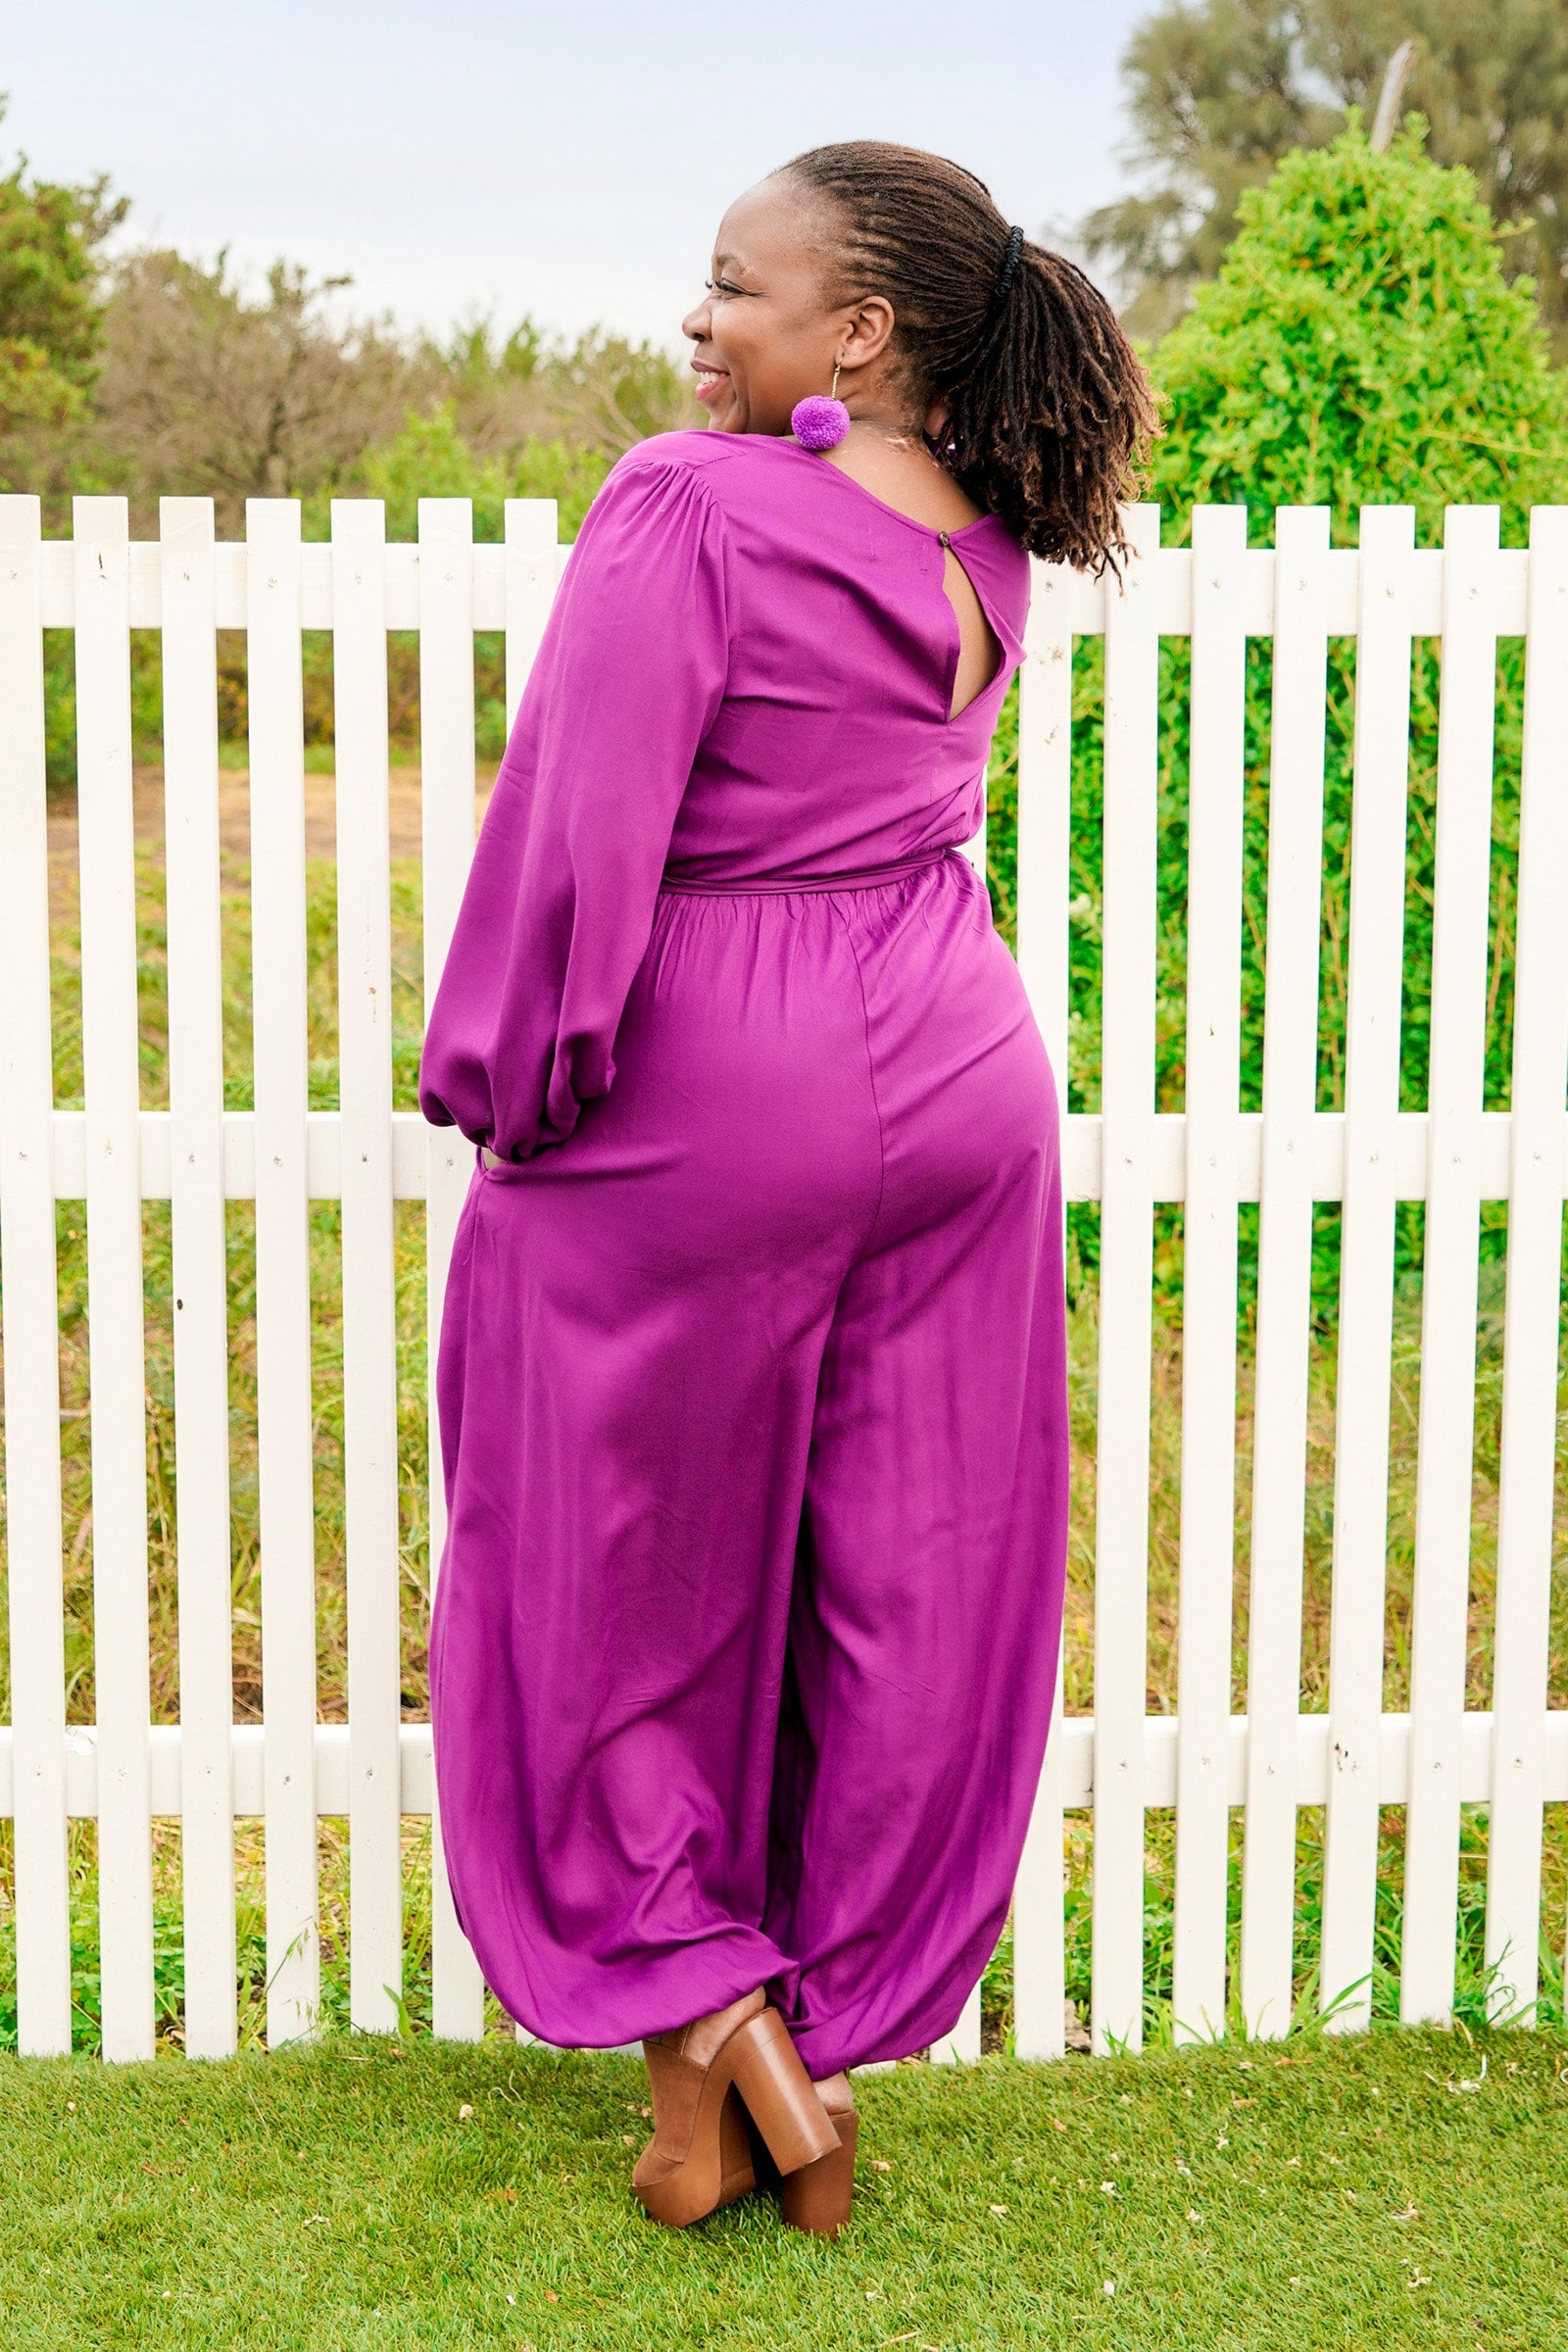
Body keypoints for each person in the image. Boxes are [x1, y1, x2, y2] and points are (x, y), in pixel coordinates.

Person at [417, 138, 1155, 2236]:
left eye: (736, 286)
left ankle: (713, 2028)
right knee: (900, 1577)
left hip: (720, 1078)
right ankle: (779, 2077)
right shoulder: (989, 540)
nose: (697, 318)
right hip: (955, 1065)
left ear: (860, 331)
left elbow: (585, 823)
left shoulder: (688, 501)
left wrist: (511, 1076)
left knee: (615, 1566)